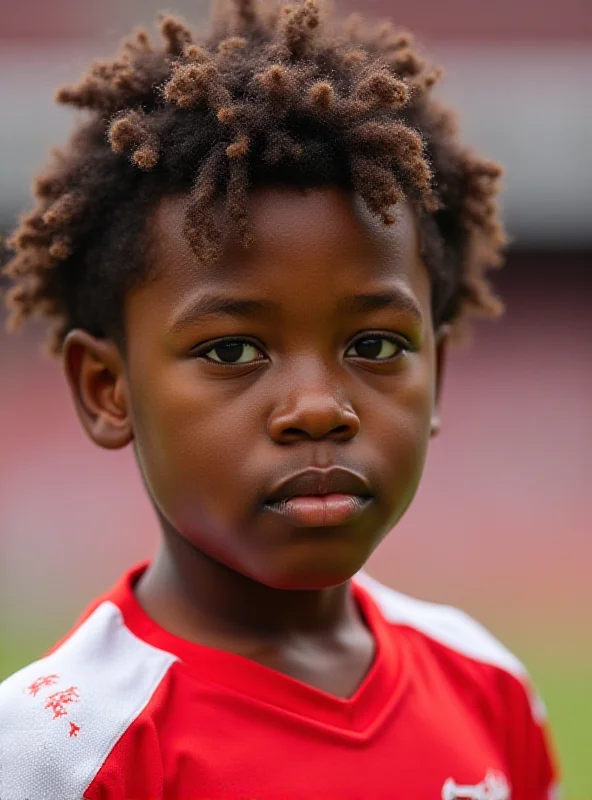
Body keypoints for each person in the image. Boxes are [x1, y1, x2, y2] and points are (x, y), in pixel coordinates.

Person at [0, 0, 558, 797]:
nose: (320, 408)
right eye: (231, 350)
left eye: (375, 346)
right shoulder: (55, 753)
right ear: (108, 389)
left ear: (439, 372)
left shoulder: (487, 682)